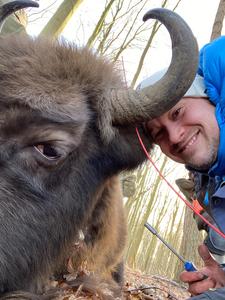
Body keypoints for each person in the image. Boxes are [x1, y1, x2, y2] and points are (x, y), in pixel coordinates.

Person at [138, 35, 225, 299]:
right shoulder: (211, 185)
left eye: (178, 112)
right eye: (159, 134)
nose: (174, 137)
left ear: (210, 97)